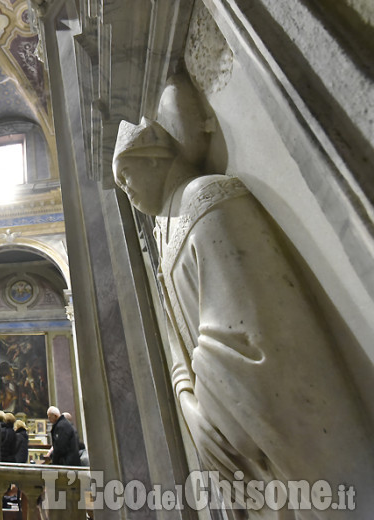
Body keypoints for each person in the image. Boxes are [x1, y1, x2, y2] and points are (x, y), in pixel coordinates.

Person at [112, 76, 374, 514]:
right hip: (224, 425)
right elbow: (181, 345)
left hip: (281, 428)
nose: (126, 190)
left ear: (155, 158)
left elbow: (252, 337)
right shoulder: (165, 236)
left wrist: (208, 399)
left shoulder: (206, 198)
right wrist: (188, 404)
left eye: (126, 175)